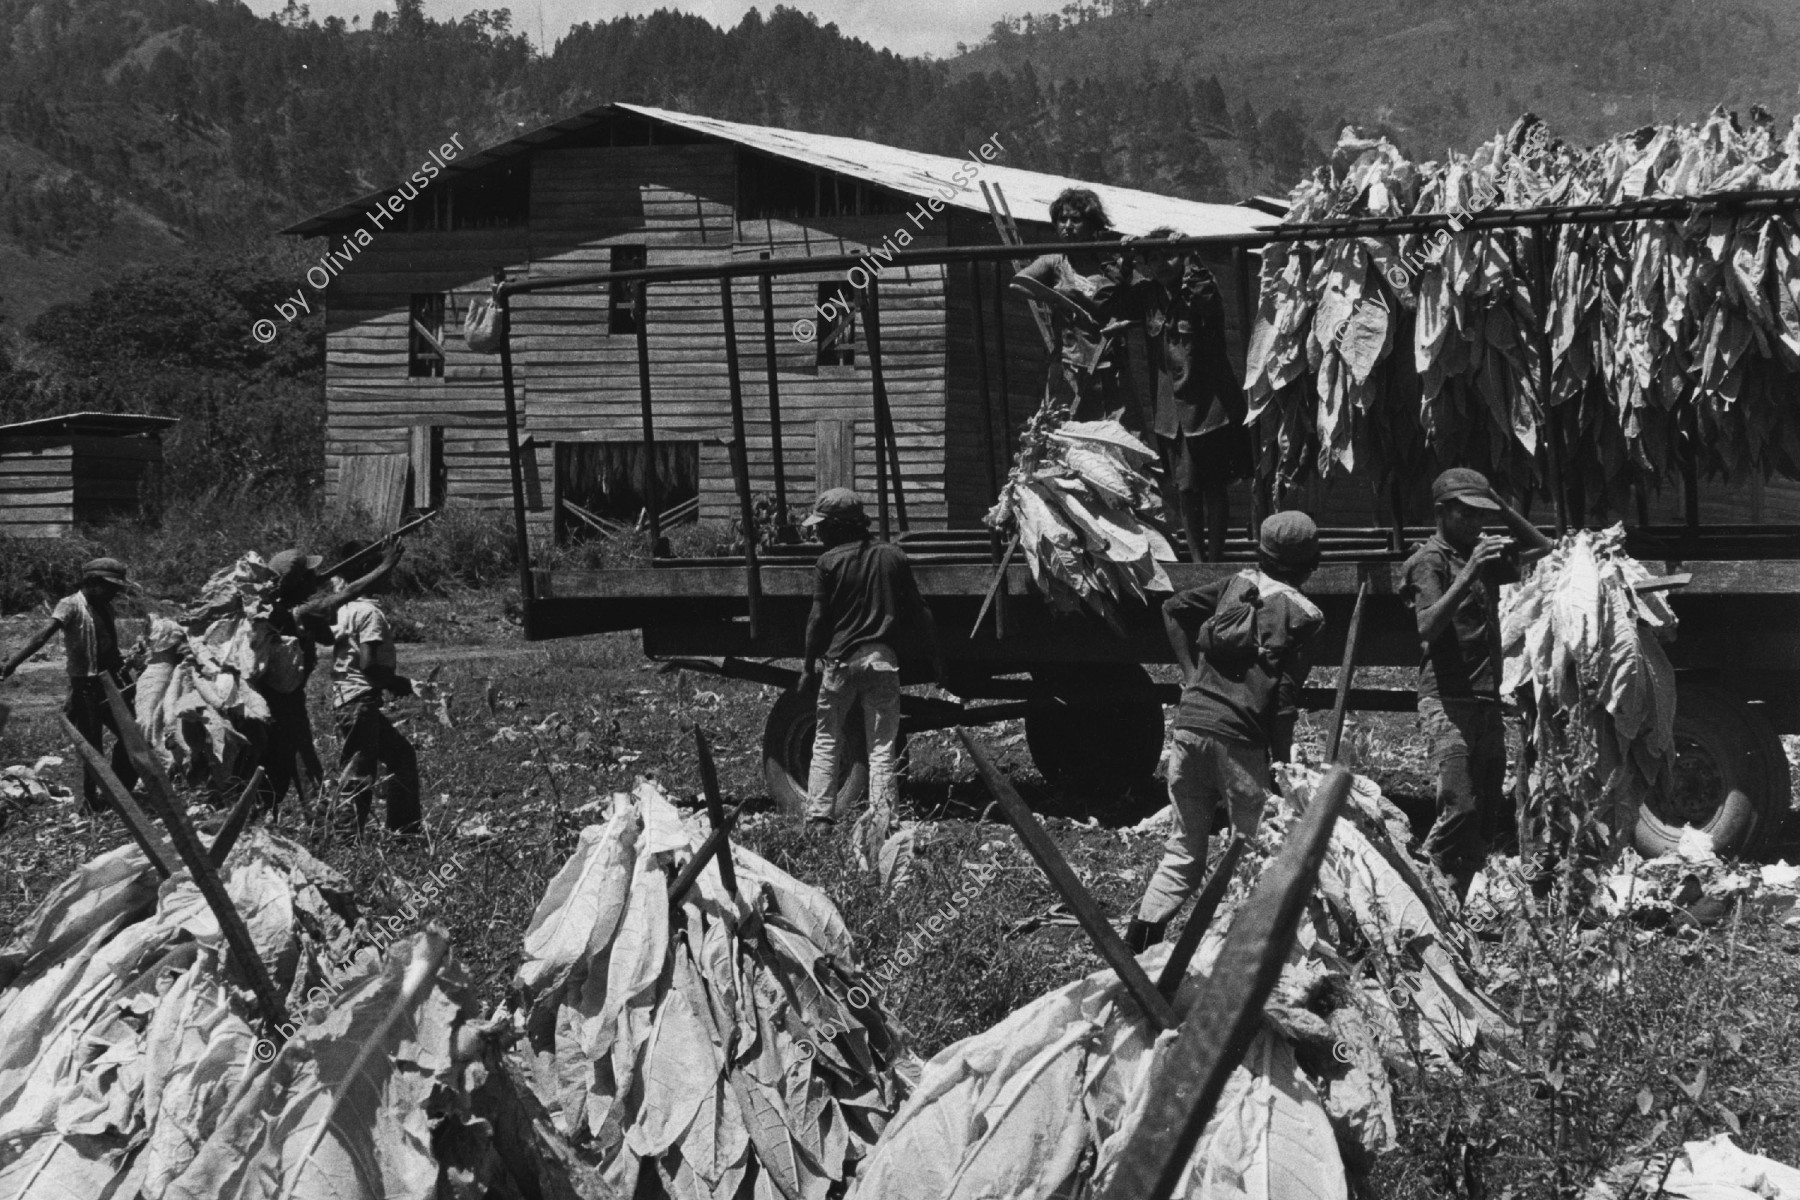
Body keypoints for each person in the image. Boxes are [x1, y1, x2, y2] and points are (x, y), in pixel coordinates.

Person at [1125, 512, 1324, 952]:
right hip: (1241, 740)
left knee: (1183, 849)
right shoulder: (1305, 616)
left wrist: (1191, 675)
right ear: (1313, 564)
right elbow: (1284, 702)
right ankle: (1229, 958)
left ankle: (1136, 949)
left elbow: (1172, 608)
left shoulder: (1237, 585)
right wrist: (1284, 767)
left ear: (1261, 555)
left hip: (1189, 727)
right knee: (1252, 854)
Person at [1400, 467, 1554, 900]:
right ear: (1441, 513)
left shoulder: (1479, 554)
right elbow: (1426, 628)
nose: (1475, 524)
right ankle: (1419, 889)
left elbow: (1543, 547)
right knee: (1460, 808)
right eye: (1465, 514)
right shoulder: (1429, 561)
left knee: (1484, 819)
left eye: (1480, 515)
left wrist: (1500, 505)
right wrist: (1469, 572)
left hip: (1485, 700)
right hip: (1448, 701)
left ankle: (1452, 905)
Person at [798, 489, 944, 831]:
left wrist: (806, 667)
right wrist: (937, 659)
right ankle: (884, 822)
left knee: (827, 738)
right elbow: (921, 611)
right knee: (881, 745)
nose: (818, 533)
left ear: (839, 527)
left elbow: (817, 619)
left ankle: (819, 818)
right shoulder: (893, 556)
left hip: (841, 663)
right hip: (882, 661)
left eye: (822, 526)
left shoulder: (828, 563)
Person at [1125, 229, 1253, 562]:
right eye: (1153, 259)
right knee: (1185, 487)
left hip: (1210, 407)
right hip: (1171, 412)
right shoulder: (1149, 295)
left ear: (1185, 258)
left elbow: (1205, 296)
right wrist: (1124, 256)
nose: (1162, 264)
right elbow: (1114, 295)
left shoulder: (1200, 288)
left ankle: (1214, 558)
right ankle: (1196, 560)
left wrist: (1192, 255)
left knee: (1214, 486)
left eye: (1169, 256)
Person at [256, 540, 404, 814]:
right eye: (309, 575)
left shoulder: (291, 611)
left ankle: (259, 821)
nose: (316, 577)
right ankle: (319, 827)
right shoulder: (298, 612)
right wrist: (386, 564)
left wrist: (315, 594)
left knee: (277, 773)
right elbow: (350, 591)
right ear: (297, 583)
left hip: (279, 703)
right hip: (285, 708)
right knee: (307, 773)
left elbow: (325, 633)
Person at [1, 558, 139, 814]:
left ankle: (119, 793)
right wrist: (12, 664)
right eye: (110, 587)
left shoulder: (106, 608)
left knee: (131, 736)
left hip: (109, 683)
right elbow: (43, 635)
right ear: (93, 582)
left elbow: (111, 647)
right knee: (90, 746)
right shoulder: (71, 604)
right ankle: (87, 803)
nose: (115, 592)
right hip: (85, 686)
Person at [1011, 188, 1137, 425]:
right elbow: (1019, 283)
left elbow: (1142, 299)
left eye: (1076, 220)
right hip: (1069, 362)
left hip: (1108, 360)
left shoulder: (1109, 264)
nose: (1067, 225)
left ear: (1092, 224)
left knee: (1116, 430)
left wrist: (1124, 323)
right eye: (1062, 219)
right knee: (1064, 428)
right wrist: (1059, 300)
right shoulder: (1055, 261)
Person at [328, 541, 421, 834]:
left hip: (351, 701)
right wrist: (397, 682)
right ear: (373, 573)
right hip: (360, 702)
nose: (391, 577)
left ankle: (404, 829)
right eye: (387, 569)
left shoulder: (344, 608)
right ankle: (345, 837)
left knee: (401, 756)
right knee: (359, 773)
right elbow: (368, 665)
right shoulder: (370, 614)